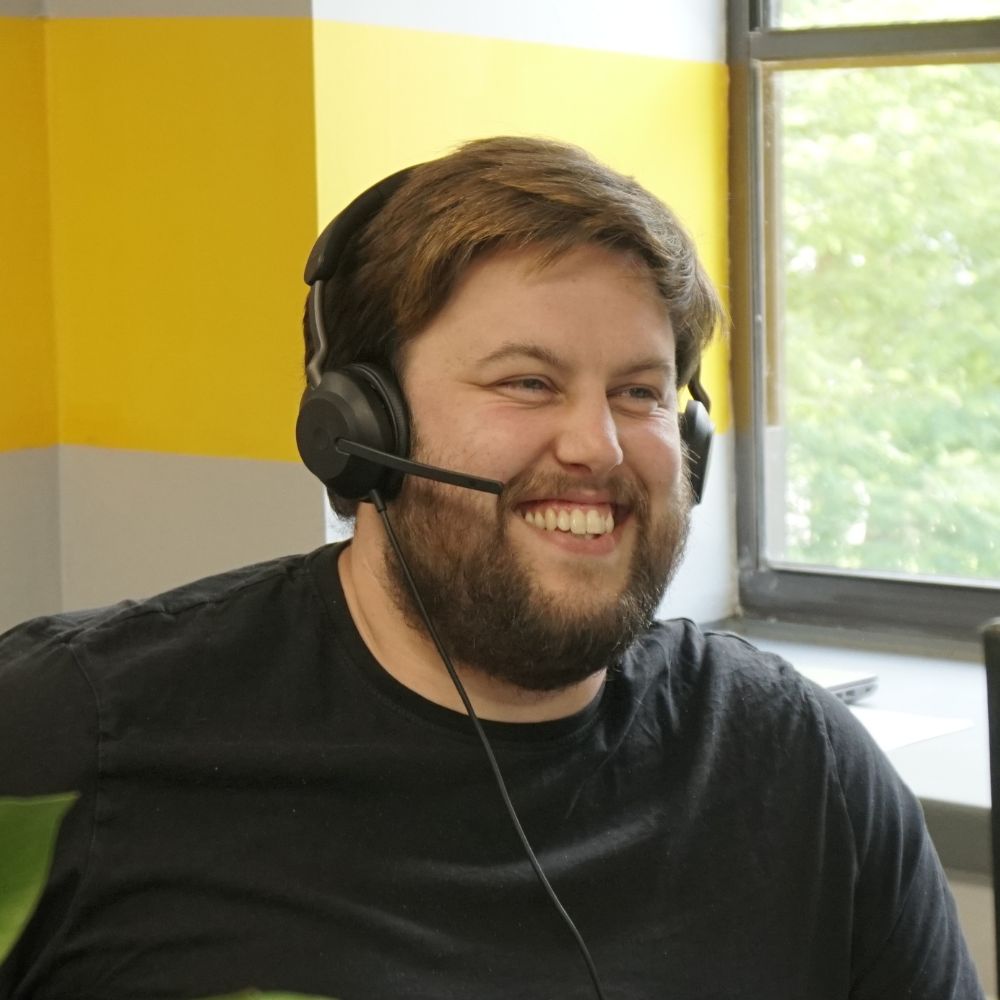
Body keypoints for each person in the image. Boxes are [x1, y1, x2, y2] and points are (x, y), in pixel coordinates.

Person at [0, 137, 983, 1000]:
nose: (596, 446)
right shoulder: (73, 732)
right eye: (527, 381)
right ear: (358, 427)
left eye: (639, 392)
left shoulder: (797, 765)